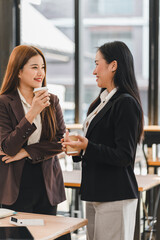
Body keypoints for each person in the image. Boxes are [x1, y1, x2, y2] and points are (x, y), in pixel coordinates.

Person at [62, 41, 144, 240]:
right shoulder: (100, 102)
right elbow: (97, 146)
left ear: (113, 66)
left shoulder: (125, 102)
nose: (94, 71)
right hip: (95, 191)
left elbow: (124, 155)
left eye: (97, 64)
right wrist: (76, 149)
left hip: (115, 194)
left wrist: (87, 146)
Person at [0, 45, 66, 215]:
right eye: (34, 67)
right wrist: (32, 112)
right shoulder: (4, 103)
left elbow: (60, 142)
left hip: (47, 185)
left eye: (43, 67)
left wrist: (27, 152)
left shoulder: (52, 101)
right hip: (15, 186)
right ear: (18, 72)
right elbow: (8, 148)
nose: (41, 73)